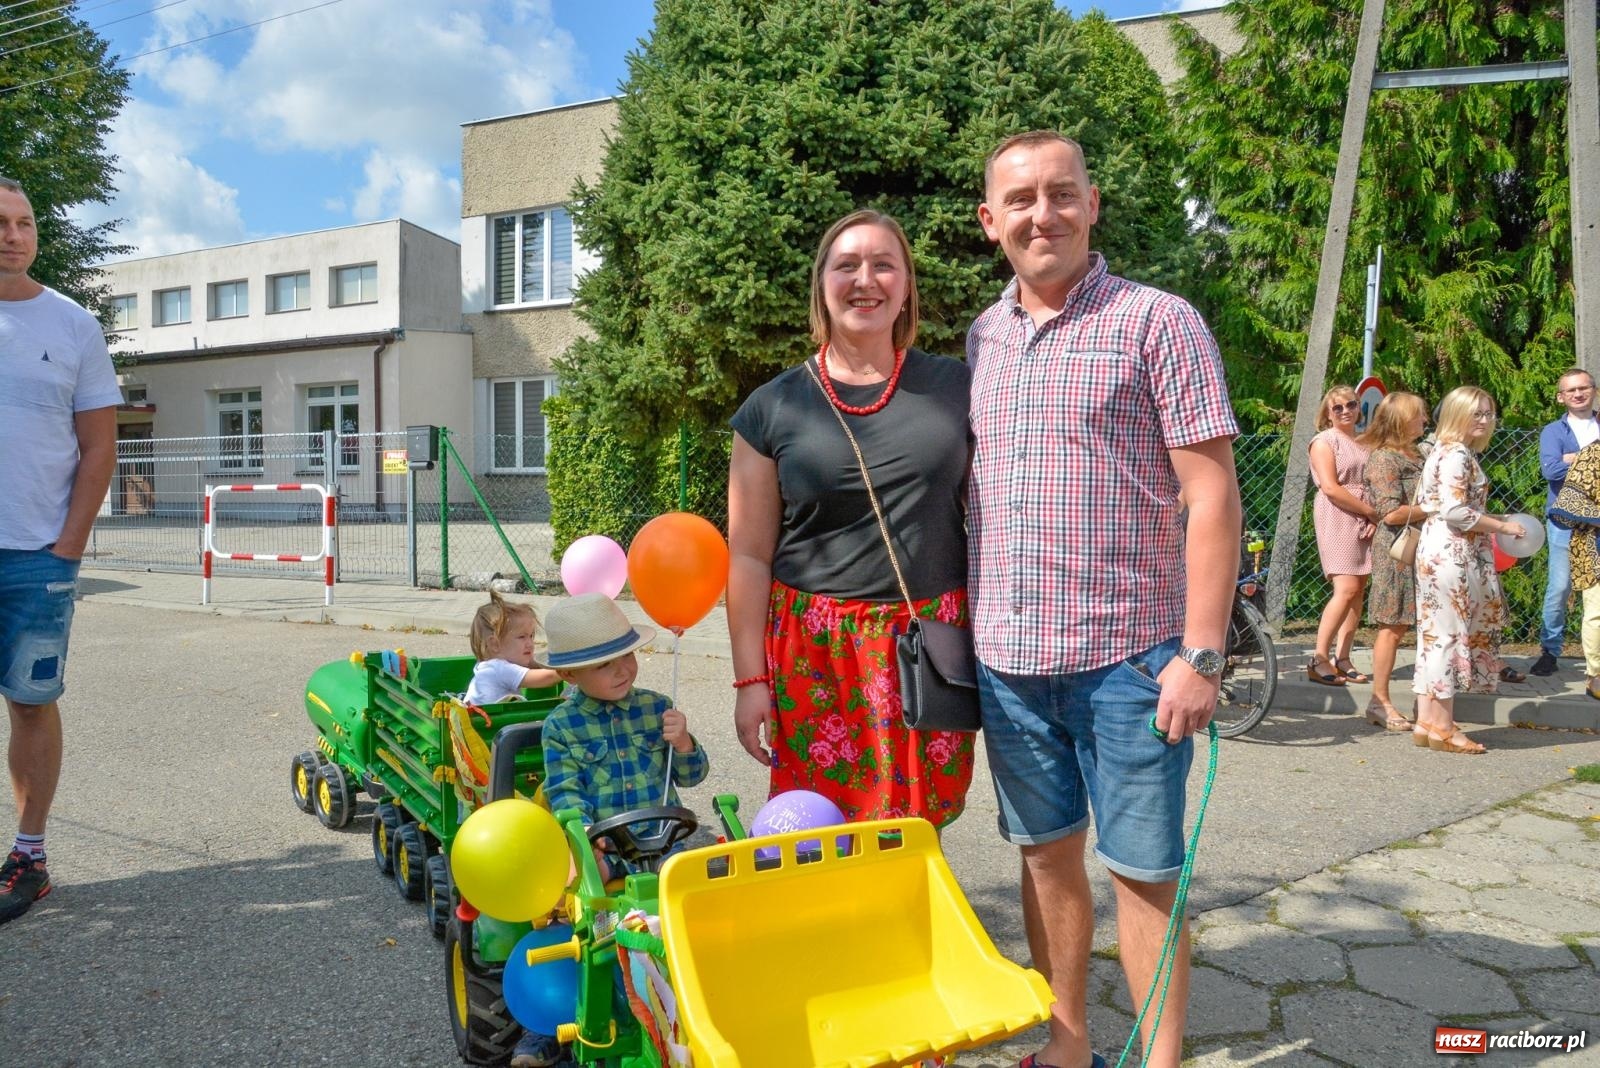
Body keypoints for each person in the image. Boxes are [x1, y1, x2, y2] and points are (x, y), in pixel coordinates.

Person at [966, 132, 1241, 1068]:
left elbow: (1211, 496)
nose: (1042, 214)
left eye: (1061, 194)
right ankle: (1069, 1047)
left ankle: (1160, 1062)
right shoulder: (981, 338)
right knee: (1045, 863)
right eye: (1021, 200)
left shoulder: (1159, 322)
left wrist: (1202, 653)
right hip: (1007, 664)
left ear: (1091, 204)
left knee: (1145, 877)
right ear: (990, 220)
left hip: (1131, 662)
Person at [727, 209, 976, 828]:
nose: (866, 279)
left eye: (883, 264)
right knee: (818, 835)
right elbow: (749, 557)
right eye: (847, 265)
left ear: (906, 286)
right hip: (817, 655)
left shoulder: (960, 386)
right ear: (822, 285)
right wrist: (749, 680)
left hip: (928, 645)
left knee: (918, 831)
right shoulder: (772, 406)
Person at [0, 177, 121, 926]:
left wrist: (69, 545)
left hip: (39, 558)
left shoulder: (74, 325)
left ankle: (29, 857)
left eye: (23, 222)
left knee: (32, 705)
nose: (13, 234)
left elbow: (99, 446)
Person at [524, 592, 709, 1068]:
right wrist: (586, 833)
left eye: (626, 655)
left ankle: (707, 1002)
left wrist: (684, 742)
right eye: (605, 664)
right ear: (569, 675)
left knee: (706, 900)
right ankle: (571, 1017)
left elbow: (690, 777)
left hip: (666, 843)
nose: (623, 669)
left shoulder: (656, 707)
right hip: (606, 847)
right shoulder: (561, 727)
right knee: (591, 920)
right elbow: (566, 793)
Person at [1412, 386, 1525, 756]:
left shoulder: (1443, 451)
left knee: (1433, 637)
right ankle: (1443, 727)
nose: (1484, 420)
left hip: (1440, 549)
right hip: (1453, 553)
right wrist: (1503, 526)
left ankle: (1427, 721)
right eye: (1476, 413)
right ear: (1457, 414)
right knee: (1447, 638)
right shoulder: (1457, 453)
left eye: (1489, 413)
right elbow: (1455, 512)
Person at [1359, 391, 1430, 730]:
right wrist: (1437, 509)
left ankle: (1427, 703)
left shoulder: (1419, 452)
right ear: (1401, 420)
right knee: (1393, 626)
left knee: (1421, 626)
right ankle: (1379, 701)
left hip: (1425, 547)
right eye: (1418, 415)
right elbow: (1390, 514)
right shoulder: (1384, 459)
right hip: (1399, 551)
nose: (1425, 420)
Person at [1307, 385, 1379, 687]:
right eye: (1338, 407)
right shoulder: (1324, 441)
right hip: (1338, 514)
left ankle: (1343, 656)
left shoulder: (1364, 442)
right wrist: (1370, 511)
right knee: (1346, 587)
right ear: (1327, 413)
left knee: (1358, 588)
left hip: (1363, 515)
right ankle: (1318, 658)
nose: (1346, 410)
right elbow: (1331, 487)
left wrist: (1372, 513)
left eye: (1351, 404)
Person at [1534, 368, 1599, 676]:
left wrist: (1572, 459)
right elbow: (1551, 471)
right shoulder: (1553, 432)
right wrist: (1590, 459)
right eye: (1571, 390)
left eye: (1583, 388)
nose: (1578, 394)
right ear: (1561, 397)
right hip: (1565, 520)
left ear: (1594, 391)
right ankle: (1550, 650)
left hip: (1598, 522)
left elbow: (1562, 466)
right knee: (1560, 588)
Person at [1548, 442, 1600, 699]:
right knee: (1597, 613)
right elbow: (1569, 503)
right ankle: (1596, 675)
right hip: (1594, 546)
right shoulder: (1593, 454)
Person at [464, 590, 560, 705]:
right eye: (522, 637)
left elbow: (535, 661)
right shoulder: (499, 669)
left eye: (531, 636)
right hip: (491, 722)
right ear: (495, 644)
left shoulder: (493, 664)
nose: (530, 643)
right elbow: (548, 677)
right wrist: (572, 668)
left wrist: (557, 657)